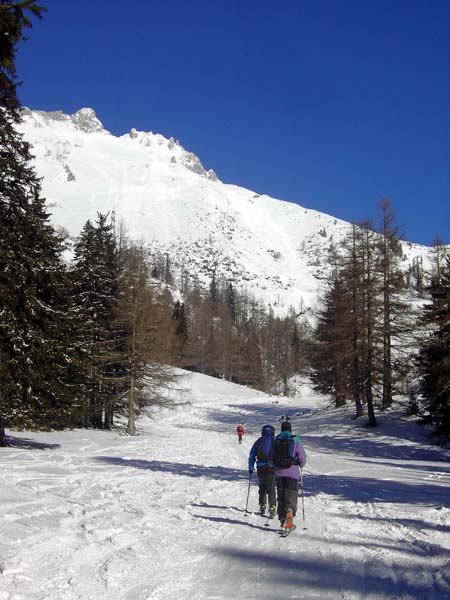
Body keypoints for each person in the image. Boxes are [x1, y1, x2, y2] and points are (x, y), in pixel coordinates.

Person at [273, 419, 307, 531]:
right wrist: (300, 464)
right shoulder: (295, 439)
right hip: (292, 473)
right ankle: (290, 512)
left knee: (281, 497)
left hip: (279, 473)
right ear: (290, 429)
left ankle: (283, 520)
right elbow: (302, 457)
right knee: (291, 495)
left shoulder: (276, 439)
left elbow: (270, 457)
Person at [248, 425, 277, 517]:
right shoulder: (275, 441)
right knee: (271, 488)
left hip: (260, 467)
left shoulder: (259, 441)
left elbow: (252, 454)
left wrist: (251, 466)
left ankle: (262, 505)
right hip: (271, 468)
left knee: (262, 487)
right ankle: (272, 507)